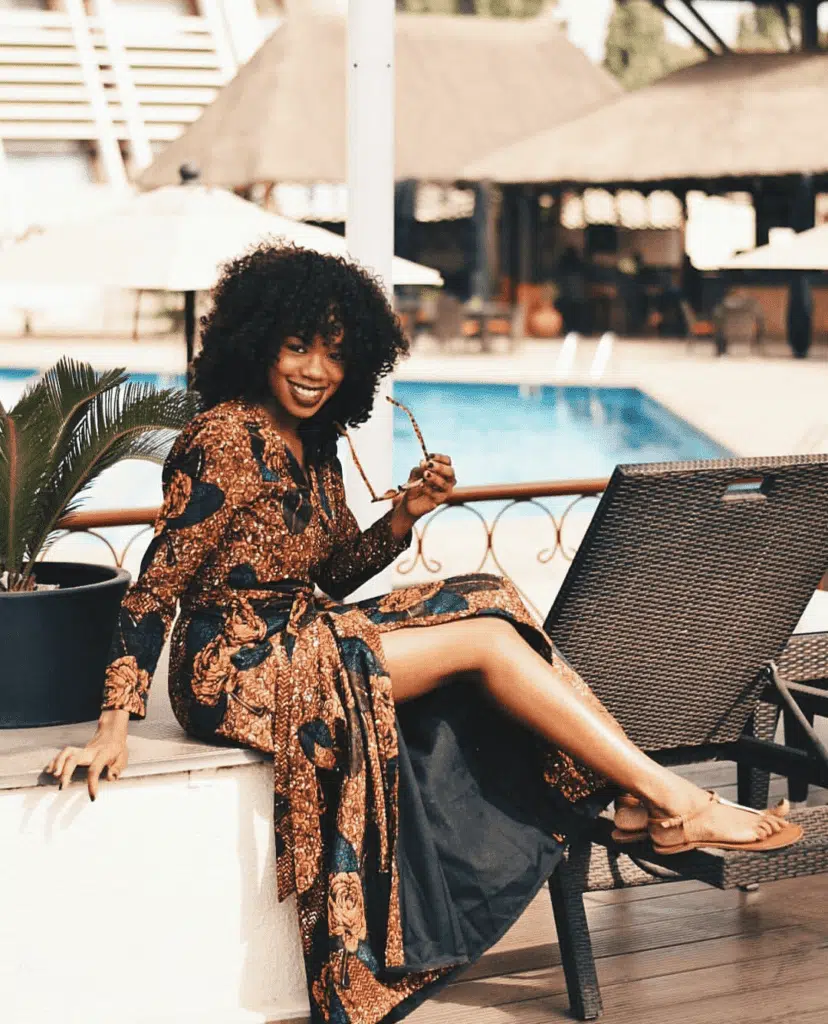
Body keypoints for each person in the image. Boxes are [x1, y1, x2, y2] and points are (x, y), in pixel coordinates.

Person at [45, 246, 800, 1024]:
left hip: (303, 634)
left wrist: (406, 513)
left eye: (335, 353)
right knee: (484, 645)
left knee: (486, 597)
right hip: (233, 669)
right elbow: (155, 586)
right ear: (258, 341)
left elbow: (333, 573)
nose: (315, 370)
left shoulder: (316, 442)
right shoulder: (223, 437)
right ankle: (668, 797)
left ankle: (639, 800)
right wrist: (114, 725)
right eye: (297, 346)